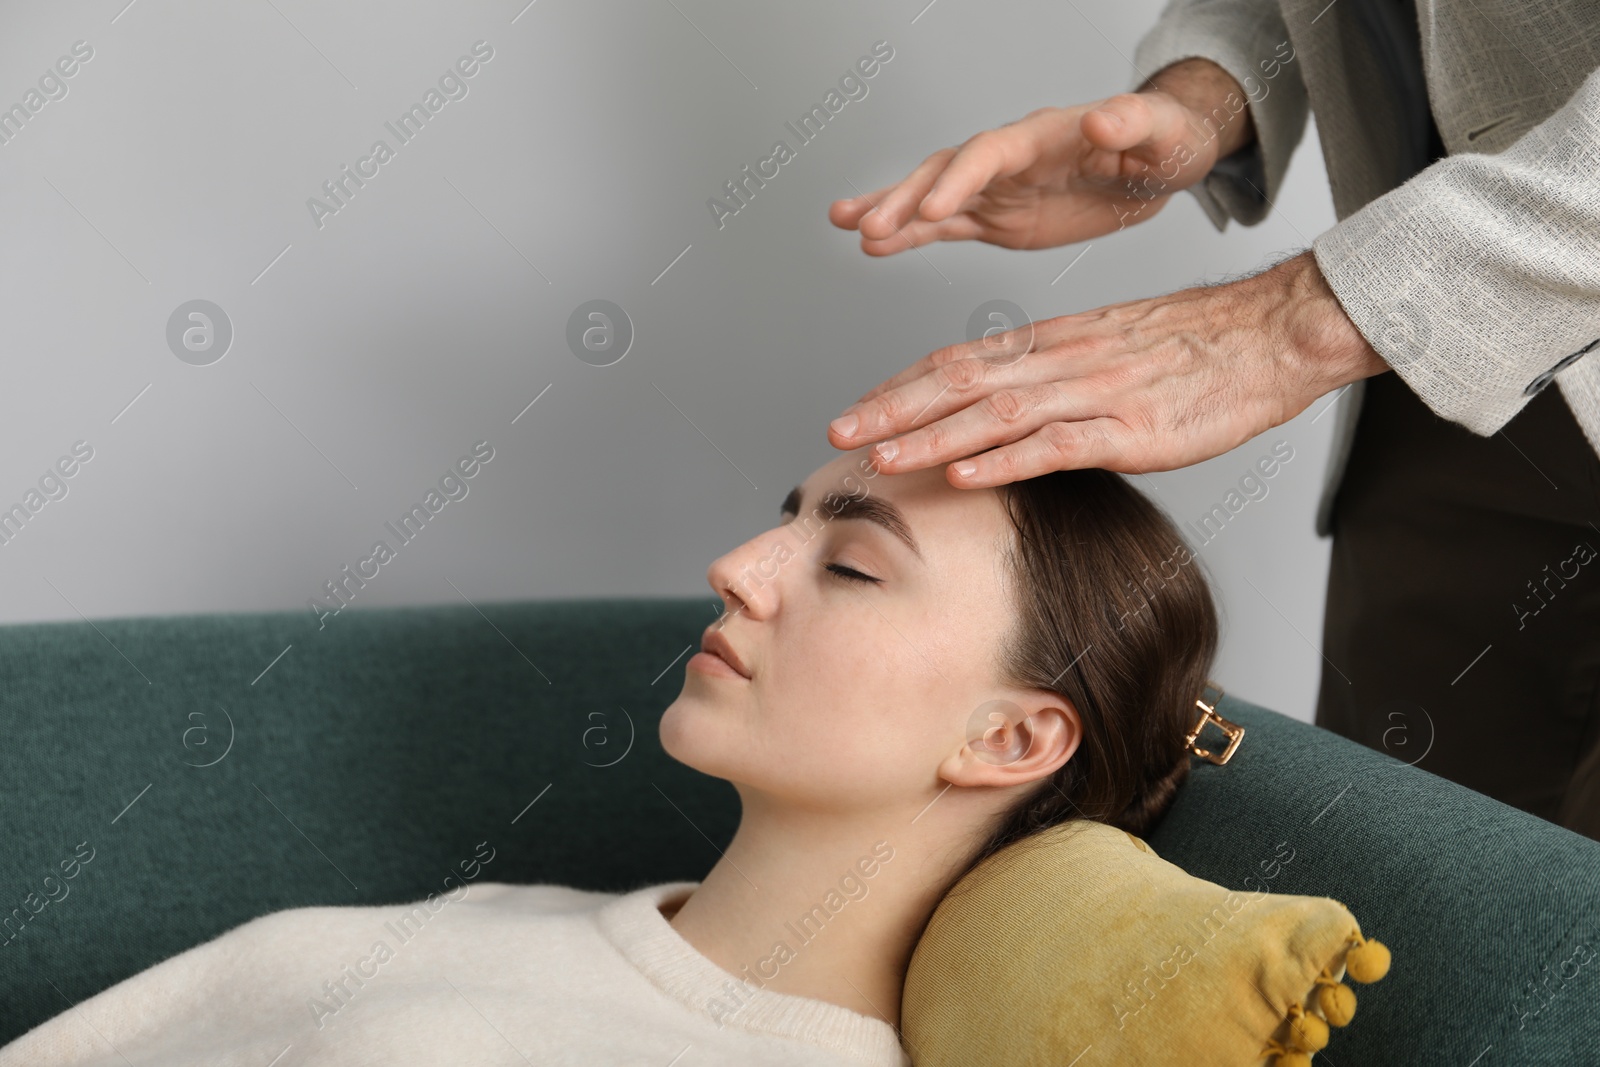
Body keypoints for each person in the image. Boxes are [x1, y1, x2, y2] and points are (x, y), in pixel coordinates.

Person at [0, 448, 1221, 1066]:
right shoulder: (516, 921)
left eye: (850, 565)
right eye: (787, 518)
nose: (740, 566)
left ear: (1007, 736)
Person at [825, 0, 1600, 842]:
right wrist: (1208, 92)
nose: (733, 573)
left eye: (852, 568)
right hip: (1447, 395)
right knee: (1384, 877)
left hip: (1422, 309)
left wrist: (1300, 318)